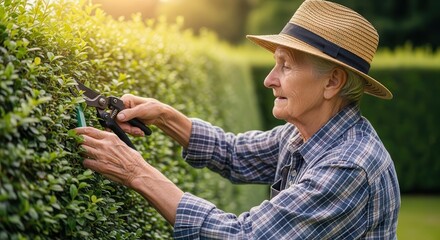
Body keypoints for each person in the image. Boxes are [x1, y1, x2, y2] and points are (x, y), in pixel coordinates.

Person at [74, 0, 401, 238]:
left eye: (285, 65)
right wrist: (165, 116)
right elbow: (233, 153)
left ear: (332, 82)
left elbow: (243, 236)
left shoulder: (349, 168)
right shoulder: (304, 134)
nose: (269, 80)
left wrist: (135, 171)